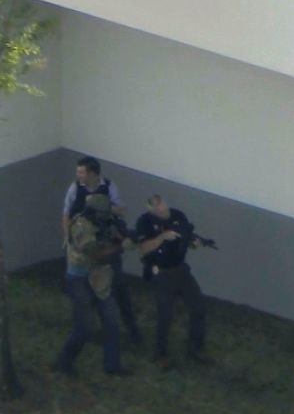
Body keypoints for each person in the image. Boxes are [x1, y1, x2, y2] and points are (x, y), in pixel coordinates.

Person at [61, 156, 142, 344]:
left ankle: (130, 328)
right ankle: (84, 329)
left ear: (93, 173)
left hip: (106, 240)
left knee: (118, 285)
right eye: (78, 171)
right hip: (85, 242)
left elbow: (122, 210)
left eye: (81, 172)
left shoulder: (109, 186)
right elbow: (66, 214)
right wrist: (68, 238)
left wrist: (103, 208)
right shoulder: (75, 188)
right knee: (83, 289)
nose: (78, 175)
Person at [53, 193, 133, 377]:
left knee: (111, 322)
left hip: (100, 276)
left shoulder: (101, 223)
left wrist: (119, 237)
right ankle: (63, 362)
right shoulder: (81, 226)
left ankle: (112, 365)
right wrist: (121, 247)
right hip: (79, 278)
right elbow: (95, 253)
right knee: (84, 326)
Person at [135, 194, 212, 370]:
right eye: (159, 210)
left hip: (180, 269)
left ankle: (195, 348)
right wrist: (162, 237)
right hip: (161, 272)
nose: (164, 211)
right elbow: (143, 248)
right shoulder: (144, 222)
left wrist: (195, 242)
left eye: (164, 206)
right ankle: (160, 354)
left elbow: (186, 239)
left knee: (198, 307)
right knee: (165, 315)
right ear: (152, 211)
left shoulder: (178, 216)